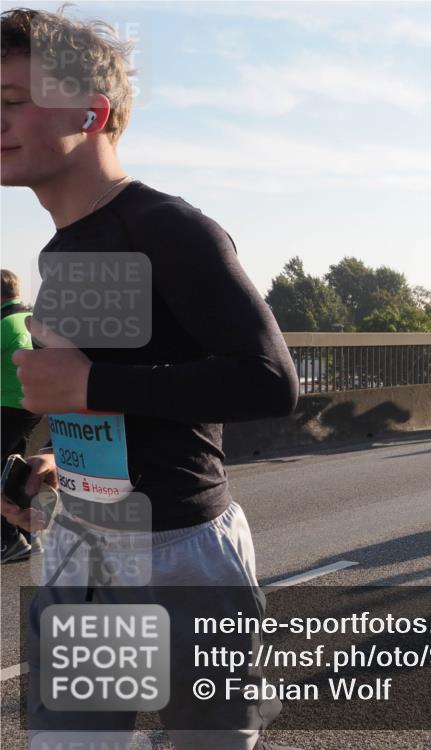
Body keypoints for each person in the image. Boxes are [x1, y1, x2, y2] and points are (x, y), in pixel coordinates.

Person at [0, 9, 299, 749]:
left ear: (91, 112)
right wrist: (60, 462)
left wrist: (90, 386)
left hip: (179, 552)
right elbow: (124, 388)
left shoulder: (167, 226)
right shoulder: (59, 251)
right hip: (82, 541)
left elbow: (268, 381)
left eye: (10, 101)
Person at [1, 269, 43, 563]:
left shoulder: (5, 322)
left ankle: (9, 539)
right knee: (13, 470)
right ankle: (28, 536)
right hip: (29, 406)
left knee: (4, 473)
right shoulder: (26, 318)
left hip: (8, 406)